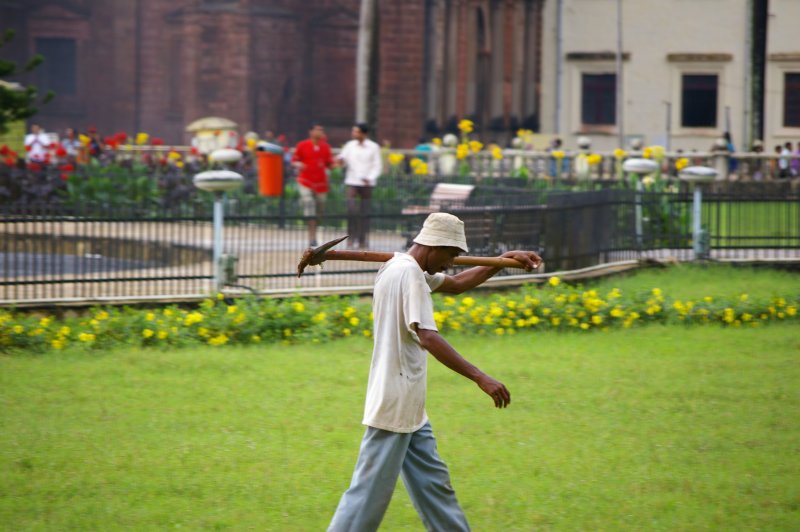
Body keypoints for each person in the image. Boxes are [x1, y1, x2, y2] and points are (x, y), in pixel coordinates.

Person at [328, 212, 542, 532]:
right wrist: (481, 377)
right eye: (451, 254)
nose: (452, 262)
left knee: (434, 486)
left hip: (410, 404)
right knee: (366, 497)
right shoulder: (409, 275)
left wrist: (500, 261)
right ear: (435, 246)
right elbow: (428, 336)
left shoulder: (402, 266)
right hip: (394, 402)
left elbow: (456, 284)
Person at [338, 123, 382, 249]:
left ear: (364, 133)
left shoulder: (373, 147)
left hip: (367, 182)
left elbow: (377, 165)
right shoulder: (350, 145)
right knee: (351, 209)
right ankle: (350, 238)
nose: (354, 134)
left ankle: (362, 239)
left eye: (356, 132)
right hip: (352, 181)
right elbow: (342, 158)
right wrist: (340, 160)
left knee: (365, 212)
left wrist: (370, 178)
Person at [291, 123, 336, 246]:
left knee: (320, 208)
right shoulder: (302, 145)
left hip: (321, 184)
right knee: (309, 205)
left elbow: (330, 164)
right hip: (305, 181)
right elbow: (294, 160)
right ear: (311, 132)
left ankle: (314, 226)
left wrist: (337, 163)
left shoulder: (325, 147)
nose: (320, 132)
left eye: (322, 130)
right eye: (318, 130)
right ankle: (312, 237)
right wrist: (298, 164)